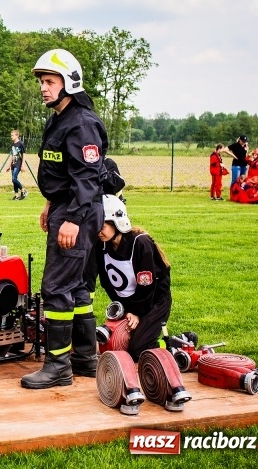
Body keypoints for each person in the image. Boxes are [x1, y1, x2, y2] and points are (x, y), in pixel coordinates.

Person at [21, 49, 107, 390]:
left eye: (50, 81)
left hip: (78, 212)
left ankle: (58, 366)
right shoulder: (59, 118)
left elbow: (87, 178)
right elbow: (61, 169)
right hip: (64, 206)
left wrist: (71, 218)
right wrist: (49, 203)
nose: (43, 88)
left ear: (69, 82)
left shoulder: (82, 123)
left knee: (55, 287)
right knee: (76, 287)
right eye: (41, 82)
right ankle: (86, 359)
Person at [96, 195, 173, 362]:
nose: (98, 231)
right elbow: (106, 282)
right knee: (118, 343)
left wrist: (137, 313)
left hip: (154, 301)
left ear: (117, 222)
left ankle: (171, 345)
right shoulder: (101, 244)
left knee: (138, 350)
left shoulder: (140, 243)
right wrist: (124, 309)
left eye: (102, 226)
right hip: (129, 303)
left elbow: (147, 286)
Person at [10, 129, 27, 200]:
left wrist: (23, 165)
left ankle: (23, 190)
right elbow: (12, 155)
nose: (11, 137)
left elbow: (24, 154)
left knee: (14, 178)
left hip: (18, 163)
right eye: (11, 135)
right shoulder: (13, 144)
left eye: (12, 135)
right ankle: (16, 195)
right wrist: (9, 165)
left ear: (17, 135)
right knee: (14, 179)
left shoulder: (21, 144)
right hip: (13, 164)